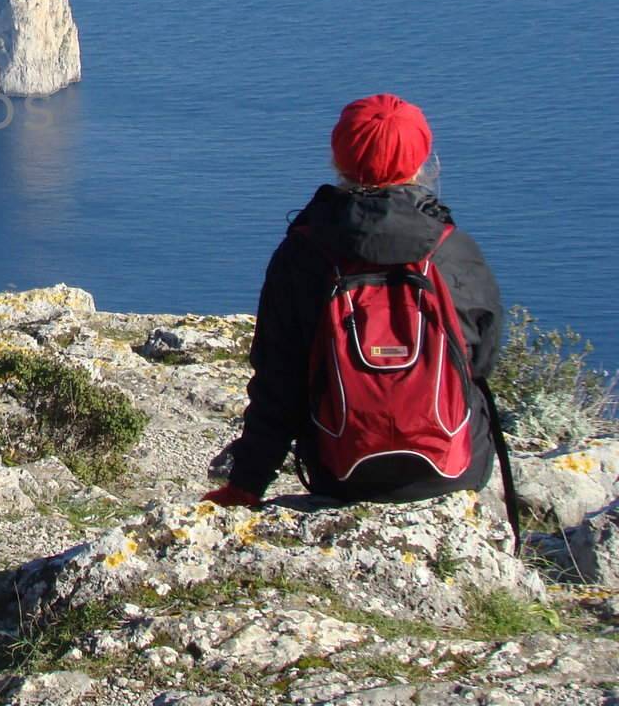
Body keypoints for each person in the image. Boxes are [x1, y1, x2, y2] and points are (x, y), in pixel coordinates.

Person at [204, 93, 505, 508]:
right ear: (422, 162)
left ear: (338, 158)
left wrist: (245, 486)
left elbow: (279, 384)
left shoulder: (304, 255)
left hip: (342, 472)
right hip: (452, 472)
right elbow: (481, 360)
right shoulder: (455, 253)